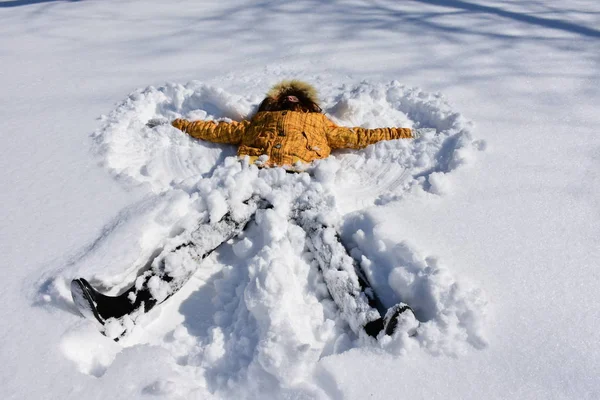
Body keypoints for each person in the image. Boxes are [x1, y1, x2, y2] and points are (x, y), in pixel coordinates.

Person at [71, 80, 419, 340]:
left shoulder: (322, 124)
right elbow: (218, 129)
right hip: (253, 181)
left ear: (309, 103)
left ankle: (372, 323)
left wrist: (403, 131)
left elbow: (357, 136)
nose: (290, 98)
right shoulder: (258, 122)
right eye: (285, 95)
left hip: (302, 182)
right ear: (274, 100)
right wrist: (177, 124)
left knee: (330, 248)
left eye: (296, 96)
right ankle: (124, 310)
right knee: (197, 240)